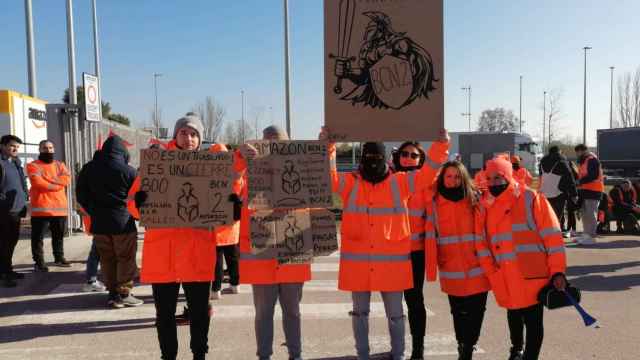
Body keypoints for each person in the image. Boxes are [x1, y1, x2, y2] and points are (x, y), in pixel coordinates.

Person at [327, 127, 449, 360]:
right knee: (359, 313)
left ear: (385, 159)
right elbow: (328, 176)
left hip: (391, 267)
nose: (372, 162)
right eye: (368, 158)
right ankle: (362, 355)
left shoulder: (400, 183)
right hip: (359, 267)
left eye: (377, 158)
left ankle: (398, 354)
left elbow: (428, 174)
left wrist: (441, 145)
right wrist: (329, 146)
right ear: (362, 159)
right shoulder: (351, 183)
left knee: (395, 315)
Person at [129, 113, 243, 360]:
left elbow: (226, 206)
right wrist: (139, 203)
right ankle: (168, 356)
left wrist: (233, 207)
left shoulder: (211, 169)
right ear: (176, 135)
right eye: (184, 132)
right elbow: (132, 202)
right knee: (165, 314)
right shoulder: (157, 164)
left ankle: (199, 354)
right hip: (163, 254)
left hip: (197, 253)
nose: (189, 138)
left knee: (200, 313)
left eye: (194, 134)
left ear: (200, 139)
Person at [475, 156, 567, 360]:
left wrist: (557, 270)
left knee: (533, 321)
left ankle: (530, 356)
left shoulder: (531, 198)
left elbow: (553, 237)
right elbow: (481, 242)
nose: (494, 183)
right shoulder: (485, 205)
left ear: (508, 175)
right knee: (513, 315)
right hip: (504, 275)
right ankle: (516, 350)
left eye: (498, 177)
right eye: (489, 178)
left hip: (533, 275)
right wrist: (491, 270)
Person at [238, 125, 308, 360]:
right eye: (267, 143)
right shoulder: (248, 176)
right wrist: (239, 158)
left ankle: (295, 355)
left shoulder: (303, 174)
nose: (273, 148)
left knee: (293, 312)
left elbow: (325, 188)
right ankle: (264, 356)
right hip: (261, 258)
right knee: (263, 314)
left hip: (292, 254)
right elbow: (228, 187)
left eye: (278, 143)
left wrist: (327, 149)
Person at [424, 161, 490, 360]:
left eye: (457, 176)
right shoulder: (434, 203)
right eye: (448, 176)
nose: (453, 181)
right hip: (450, 265)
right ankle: (463, 345)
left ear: (463, 177)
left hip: (477, 264)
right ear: (442, 179)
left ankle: (469, 344)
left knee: (477, 310)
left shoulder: (476, 198)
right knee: (458, 312)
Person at [391, 140, 448, 360]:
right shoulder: (388, 180)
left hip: (416, 253)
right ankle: (397, 348)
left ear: (421, 159)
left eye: (414, 155)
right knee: (394, 305)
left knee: (415, 301)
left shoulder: (427, 183)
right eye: (404, 154)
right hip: (392, 253)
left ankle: (418, 349)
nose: (408, 158)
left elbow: (437, 165)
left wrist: (442, 143)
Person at [76, 135, 142, 308]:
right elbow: (138, 198)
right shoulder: (129, 171)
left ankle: (112, 294)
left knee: (107, 259)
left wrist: (94, 211)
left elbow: (81, 195)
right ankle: (124, 293)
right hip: (123, 223)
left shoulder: (88, 169)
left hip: (99, 224)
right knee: (125, 258)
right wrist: (135, 216)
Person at [26, 140, 71, 272]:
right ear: (39, 150)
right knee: (38, 238)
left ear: (54, 149)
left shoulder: (60, 165)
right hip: (41, 209)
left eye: (51, 148)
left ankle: (59, 257)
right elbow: (37, 183)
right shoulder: (32, 165)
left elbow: (67, 179)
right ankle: (39, 262)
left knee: (58, 236)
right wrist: (57, 184)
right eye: (45, 148)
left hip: (59, 209)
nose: (48, 150)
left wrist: (49, 181)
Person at [0, 135, 28, 288]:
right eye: (12, 146)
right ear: (3, 146)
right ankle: (4, 274)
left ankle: (8, 269)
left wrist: (25, 198)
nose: (15, 149)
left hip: (16, 208)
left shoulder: (16, 162)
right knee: (3, 243)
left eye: (17, 147)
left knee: (12, 241)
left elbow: (21, 183)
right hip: (4, 210)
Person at [538, 146, 578, 238]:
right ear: (559, 151)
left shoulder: (542, 162)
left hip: (545, 192)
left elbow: (541, 176)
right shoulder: (561, 160)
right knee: (557, 215)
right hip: (559, 192)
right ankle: (554, 234)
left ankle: (546, 233)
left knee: (547, 214)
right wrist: (574, 194)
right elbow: (569, 177)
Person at [574, 144, 604, 244]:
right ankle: (586, 235)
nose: (577, 154)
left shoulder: (592, 160)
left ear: (584, 151)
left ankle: (591, 237)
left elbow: (593, 175)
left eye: (578, 152)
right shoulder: (584, 161)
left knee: (591, 214)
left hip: (594, 190)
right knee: (585, 214)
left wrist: (580, 182)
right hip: (585, 190)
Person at [211, 202, 241, 300]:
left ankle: (216, 289)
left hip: (216, 226)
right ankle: (235, 284)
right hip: (232, 226)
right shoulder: (238, 185)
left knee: (217, 261)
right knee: (233, 258)